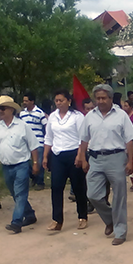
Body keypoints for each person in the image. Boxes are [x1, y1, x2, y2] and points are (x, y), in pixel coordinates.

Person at [78, 84, 133, 245]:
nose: (101, 101)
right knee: (92, 195)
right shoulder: (90, 116)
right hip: (95, 158)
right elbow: (84, 139)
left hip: (116, 157)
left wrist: (130, 161)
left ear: (111, 98)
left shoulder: (121, 115)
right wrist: (83, 158)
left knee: (119, 195)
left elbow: (129, 140)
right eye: (98, 98)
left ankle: (120, 232)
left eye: (104, 98)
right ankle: (110, 219)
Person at [0, 96, 40, 234]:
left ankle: (16, 222)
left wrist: (35, 163)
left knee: (20, 193)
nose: (0, 111)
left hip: (21, 164)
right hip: (6, 166)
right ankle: (29, 214)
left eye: (3, 108)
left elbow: (33, 146)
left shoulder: (22, 126)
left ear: (11, 109)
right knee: (15, 194)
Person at [43, 89, 88, 231]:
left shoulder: (77, 116)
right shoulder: (52, 117)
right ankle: (57, 220)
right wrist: (45, 156)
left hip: (74, 152)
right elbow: (48, 137)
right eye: (56, 101)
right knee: (56, 187)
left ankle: (82, 216)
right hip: (57, 154)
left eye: (61, 100)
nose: (59, 103)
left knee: (78, 187)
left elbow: (83, 137)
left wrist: (80, 155)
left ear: (69, 101)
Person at [20, 92, 48, 191]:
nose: (24, 103)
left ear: (32, 101)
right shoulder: (22, 114)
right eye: (24, 101)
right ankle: (33, 177)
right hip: (25, 142)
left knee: (38, 162)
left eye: (26, 101)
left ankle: (40, 182)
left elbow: (46, 126)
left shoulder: (39, 113)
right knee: (26, 162)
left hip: (38, 141)